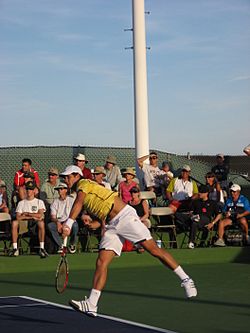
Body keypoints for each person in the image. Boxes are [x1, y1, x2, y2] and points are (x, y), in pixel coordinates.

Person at [60, 165, 197, 317]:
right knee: (101, 262)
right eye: (64, 177)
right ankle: (92, 303)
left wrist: (68, 223)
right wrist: (94, 224)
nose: (65, 180)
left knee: (154, 250)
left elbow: (78, 203)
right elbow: (103, 211)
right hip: (112, 225)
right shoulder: (86, 193)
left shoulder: (84, 184)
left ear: (76, 175)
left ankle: (186, 279)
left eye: (67, 177)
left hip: (126, 217)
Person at [8, 181, 48, 258]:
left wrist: (27, 214)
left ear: (34, 190)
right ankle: (15, 249)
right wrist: (31, 216)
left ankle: (42, 248)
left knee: (41, 223)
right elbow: (18, 217)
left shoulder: (39, 202)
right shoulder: (21, 203)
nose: (29, 191)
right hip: (24, 224)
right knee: (14, 223)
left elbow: (40, 215)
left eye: (31, 189)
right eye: (27, 189)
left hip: (35, 223)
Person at [188, 185, 222, 249]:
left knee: (199, 218)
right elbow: (191, 212)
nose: (199, 193)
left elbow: (219, 214)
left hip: (206, 220)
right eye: (199, 192)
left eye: (201, 192)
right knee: (194, 223)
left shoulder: (212, 203)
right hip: (195, 220)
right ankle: (191, 242)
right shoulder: (195, 202)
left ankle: (198, 242)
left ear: (206, 193)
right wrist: (191, 215)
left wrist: (212, 223)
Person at [48, 182, 78, 254]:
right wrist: (58, 223)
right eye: (58, 189)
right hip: (59, 222)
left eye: (61, 189)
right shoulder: (55, 202)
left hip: (70, 221)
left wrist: (67, 222)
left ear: (66, 190)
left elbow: (74, 213)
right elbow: (53, 217)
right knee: (50, 226)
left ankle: (72, 244)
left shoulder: (71, 200)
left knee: (75, 226)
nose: (59, 191)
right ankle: (61, 245)